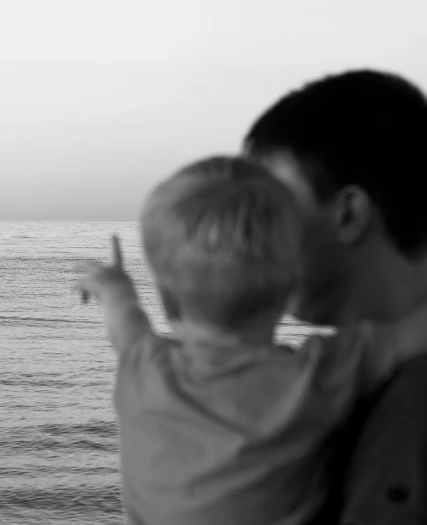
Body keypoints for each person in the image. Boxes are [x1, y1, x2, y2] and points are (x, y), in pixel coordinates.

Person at [74, 155, 427, 525]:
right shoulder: (319, 372)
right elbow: (413, 333)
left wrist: (114, 286)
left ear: (164, 294)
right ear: (292, 285)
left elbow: (124, 322)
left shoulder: (142, 367)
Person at [243, 69, 427, 524]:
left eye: (269, 211)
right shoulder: (365, 382)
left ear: (348, 213)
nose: (248, 239)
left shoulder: (411, 410)